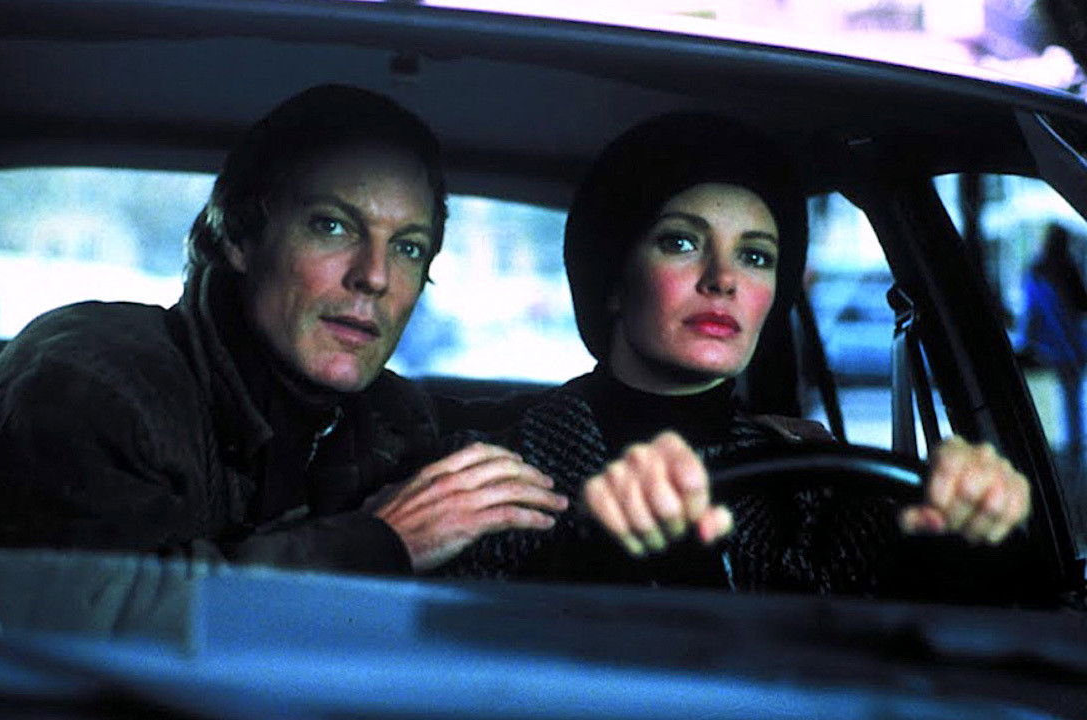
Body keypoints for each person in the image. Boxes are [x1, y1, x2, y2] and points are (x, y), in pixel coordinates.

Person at [0, 85, 567, 578]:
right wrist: (379, 543)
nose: (375, 276)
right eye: (333, 225)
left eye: (410, 247)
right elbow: (87, 628)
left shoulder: (387, 419)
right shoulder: (89, 376)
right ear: (239, 234)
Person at [440, 114, 1031, 592]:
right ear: (613, 282)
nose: (723, 279)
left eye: (755, 256)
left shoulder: (820, 484)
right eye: (681, 242)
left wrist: (968, 527)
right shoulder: (497, 469)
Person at [1022, 222, 1087, 482]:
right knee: (1071, 394)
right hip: (1072, 344)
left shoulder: (1036, 272)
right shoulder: (1068, 269)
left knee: (1064, 394)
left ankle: (1066, 445)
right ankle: (1074, 444)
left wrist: (1028, 340)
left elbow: (1031, 313)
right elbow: (1082, 304)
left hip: (1050, 344)